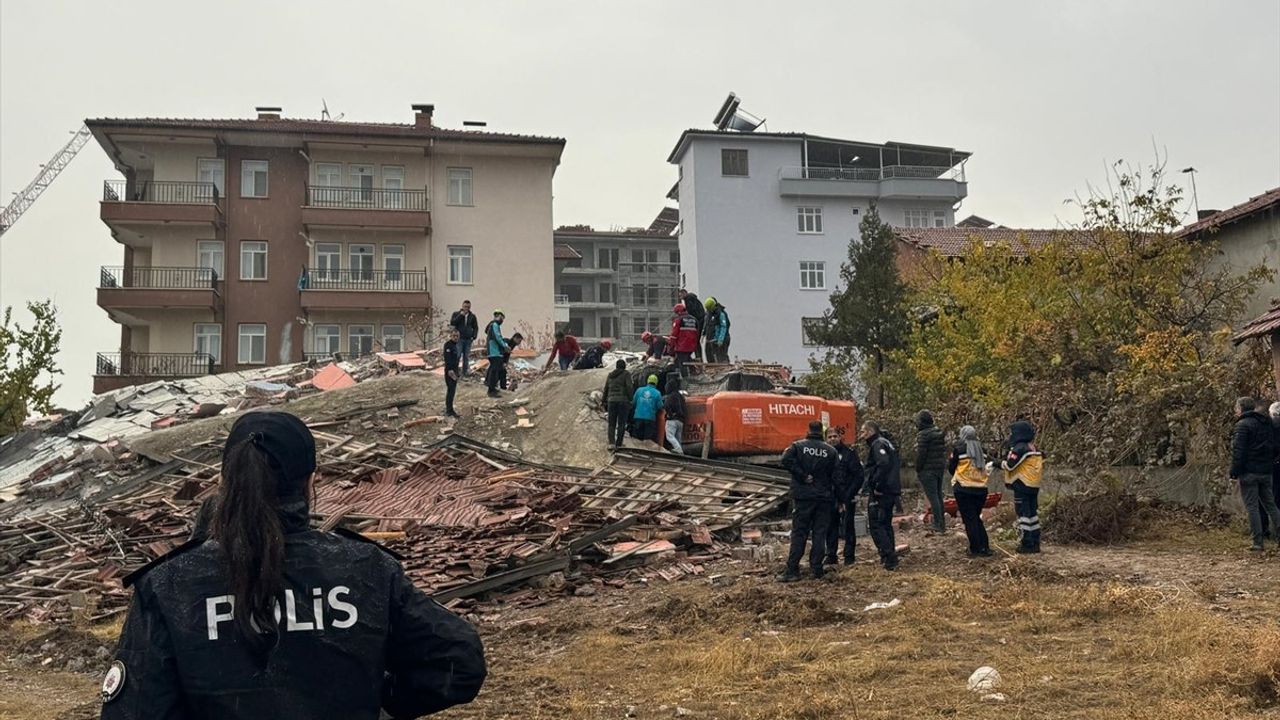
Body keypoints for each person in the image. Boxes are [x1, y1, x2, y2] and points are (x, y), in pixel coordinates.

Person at [100, 412, 486, 719]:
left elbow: (135, 710)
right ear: (310, 482)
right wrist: (383, 704)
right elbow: (458, 659)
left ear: (224, 481)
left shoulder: (169, 586)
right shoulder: (366, 569)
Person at [779, 421, 838, 582]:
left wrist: (802, 475)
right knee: (819, 533)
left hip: (803, 496)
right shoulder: (831, 451)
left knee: (799, 533)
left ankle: (792, 570)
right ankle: (816, 569)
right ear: (822, 432)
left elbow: (785, 460)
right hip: (823, 497)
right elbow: (836, 475)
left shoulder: (798, 446)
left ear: (809, 430)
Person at [1229, 397, 1280, 551]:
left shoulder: (1242, 425)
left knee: (1252, 507)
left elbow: (1239, 452)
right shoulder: (1266, 423)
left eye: (1236, 408)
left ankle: (1258, 542)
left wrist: (1234, 473)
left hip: (1249, 472)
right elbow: (1274, 446)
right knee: (1271, 505)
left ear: (1241, 408)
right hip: (1266, 471)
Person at [861, 420, 901, 571]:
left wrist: (876, 484)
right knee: (885, 523)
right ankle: (889, 556)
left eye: (863, 432)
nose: (861, 436)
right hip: (890, 489)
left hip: (882, 491)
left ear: (871, 432)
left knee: (877, 525)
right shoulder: (886, 443)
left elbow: (883, 464)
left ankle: (889, 556)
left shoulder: (878, 444)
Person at [1002, 419, 1045, 554]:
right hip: (1033, 485)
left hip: (1021, 485)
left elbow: (1010, 465)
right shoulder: (1034, 447)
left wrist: (996, 463)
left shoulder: (1020, 448)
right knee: (1032, 515)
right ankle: (1035, 542)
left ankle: (1026, 543)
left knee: (1023, 515)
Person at [824, 427, 864, 566]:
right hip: (830, 497)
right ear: (826, 439)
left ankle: (849, 556)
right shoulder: (824, 454)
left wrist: (848, 495)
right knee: (830, 527)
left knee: (848, 527)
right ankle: (831, 555)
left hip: (847, 496)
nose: (833, 439)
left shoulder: (849, 453)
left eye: (835, 436)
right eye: (829, 437)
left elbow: (858, 476)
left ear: (840, 437)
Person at [949, 425, 992, 557]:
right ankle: (985, 547)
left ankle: (975, 549)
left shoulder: (959, 449)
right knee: (976, 518)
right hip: (981, 490)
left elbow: (951, 468)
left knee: (970, 520)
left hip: (963, 489)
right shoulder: (982, 450)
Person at [915, 410, 948, 534]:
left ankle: (937, 524)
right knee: (938, 495)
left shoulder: (923, 434)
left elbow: (921, 454)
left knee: (933, 496)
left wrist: (918, 468)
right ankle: (941, 523)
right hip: (939, 468)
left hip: (927, 470)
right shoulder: (937, 431)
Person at [603, 359, 634, 450]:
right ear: (624, 366)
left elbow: (606, 388)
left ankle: (611, 443)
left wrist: (603, 400)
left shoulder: (610, 375)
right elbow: (629, 386)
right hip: (623, 401)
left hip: (611, 401)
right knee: (621, 423)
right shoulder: (626, 374)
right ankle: (619, 444)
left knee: (611, 423)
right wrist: (631, 398)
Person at [483, 310, 510, 398]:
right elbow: (498, 337)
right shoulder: (494, 325)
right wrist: (504, 346)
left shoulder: (491, 325)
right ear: (499, 316)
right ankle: (491, 390)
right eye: (502, 318)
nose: (502, 320)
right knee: (495, 371)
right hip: (494, 351)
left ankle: (492, 388)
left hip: (493, 351)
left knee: (494, 369)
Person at [668, 304, 700, 376]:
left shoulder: (678, 320)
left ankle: (685, 379)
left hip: (681, 346)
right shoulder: (694, 320)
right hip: (692, 346)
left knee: (682, 363)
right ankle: (694, 372)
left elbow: (674, 335)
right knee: (687, 358)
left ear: (679, 312)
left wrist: (671, 346)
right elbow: (697, 333)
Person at [449, 300, 479, 377]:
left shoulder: (472, 316)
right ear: (462, 306)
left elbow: (475, 327)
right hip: (459, 339)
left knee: (466, 356)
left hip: (468, 339)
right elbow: (453, 323)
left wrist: (474, 336)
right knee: (458, 355)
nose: (466, 308)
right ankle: (455, 371)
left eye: (468, 307)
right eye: (465, 307)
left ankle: (464, 372)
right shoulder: (456, 314)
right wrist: (461, 315)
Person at [631, 375, 663, 443]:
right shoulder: (657, 393)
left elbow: (633, 402)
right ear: (656, 382)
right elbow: (660, 406)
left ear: (647, 381)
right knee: (648, 441)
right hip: (650, 419)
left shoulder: (639, 390)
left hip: (638, 417)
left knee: (637, 439)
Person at [678, 289, 706, 362]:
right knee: (696, 341)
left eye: (680, 295)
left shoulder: (689, 299)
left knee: (695, 341)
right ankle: (699, 357)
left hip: (698, 322)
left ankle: (699, 358)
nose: (680, 297)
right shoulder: (692, 299)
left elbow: (692, 311)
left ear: (684, 293)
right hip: (700, 321)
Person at [703, 297, 732, 364]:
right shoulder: (709, 314)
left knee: (722, 357)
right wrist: (704, 333)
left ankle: (725, 370)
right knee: (711, 357)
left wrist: (720, 339)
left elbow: (723, 327)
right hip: (712, 340)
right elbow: (707, 324)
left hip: (720, 340)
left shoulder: (720, 314)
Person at [663, 375, 686, 454]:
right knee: (678, 438)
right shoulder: (681, 396)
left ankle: (678, 449)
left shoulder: (670, 396)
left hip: (672, 419)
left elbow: (666, 405)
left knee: (669, 436)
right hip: (681, 420)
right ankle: (680, 452)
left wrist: (670, 415)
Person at [443, 327, 461, 418]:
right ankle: (449, 410)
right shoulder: (448, 345)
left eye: (457, 336)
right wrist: (450, 372)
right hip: (450, 371)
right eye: (454, 336)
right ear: (450, 336)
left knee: (452, 391)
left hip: (455, 370)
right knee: (450, 391)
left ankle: (450, 409)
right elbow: (448, 359)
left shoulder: (456, 345)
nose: (455, 337)